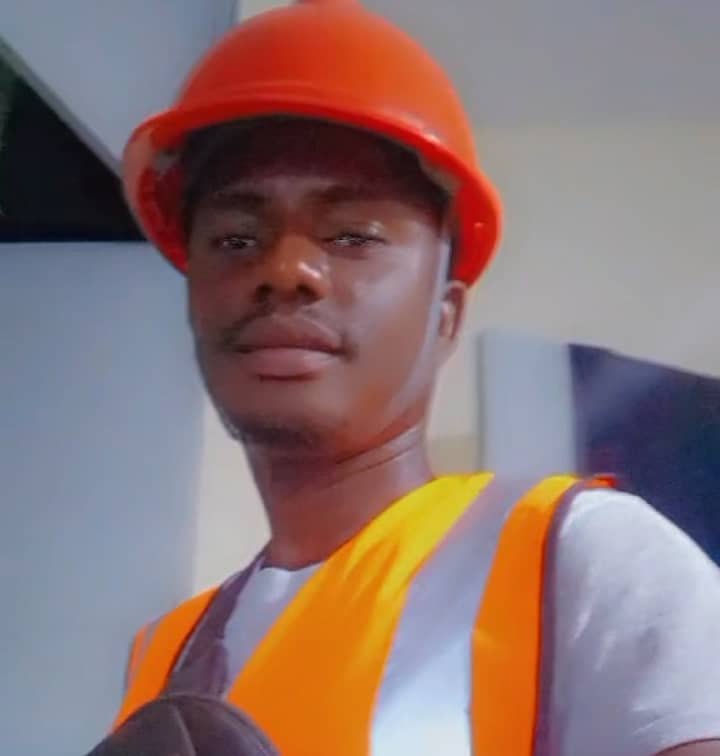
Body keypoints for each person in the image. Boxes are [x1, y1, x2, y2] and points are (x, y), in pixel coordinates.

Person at [107, 1, 720, 754]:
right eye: (235, 239)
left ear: (446, 316)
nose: (286, 269)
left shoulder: (582, 559)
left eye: (352, 235)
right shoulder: (161, 656)